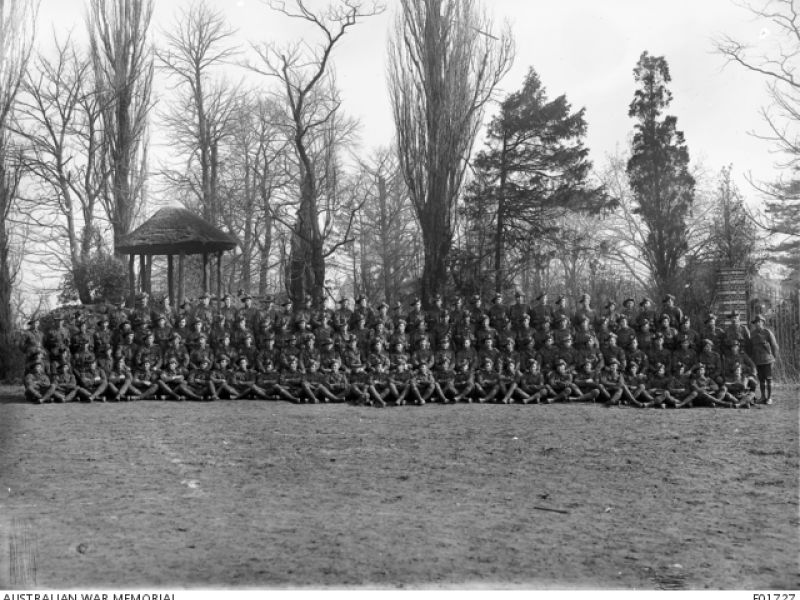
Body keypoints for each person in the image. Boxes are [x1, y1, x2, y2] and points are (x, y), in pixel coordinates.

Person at [749, 314, 779, 404]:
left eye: (759, 322)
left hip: (767, 359)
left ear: (763, 322)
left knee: (768, 379)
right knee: (761, 379)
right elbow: (751, 347)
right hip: (758, 360)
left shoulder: (767, 332)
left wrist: (774, 357)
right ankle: (763, 397)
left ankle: (769, 398)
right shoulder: (752, 334)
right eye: (756, 323)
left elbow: (774, 346)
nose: (757, 324)